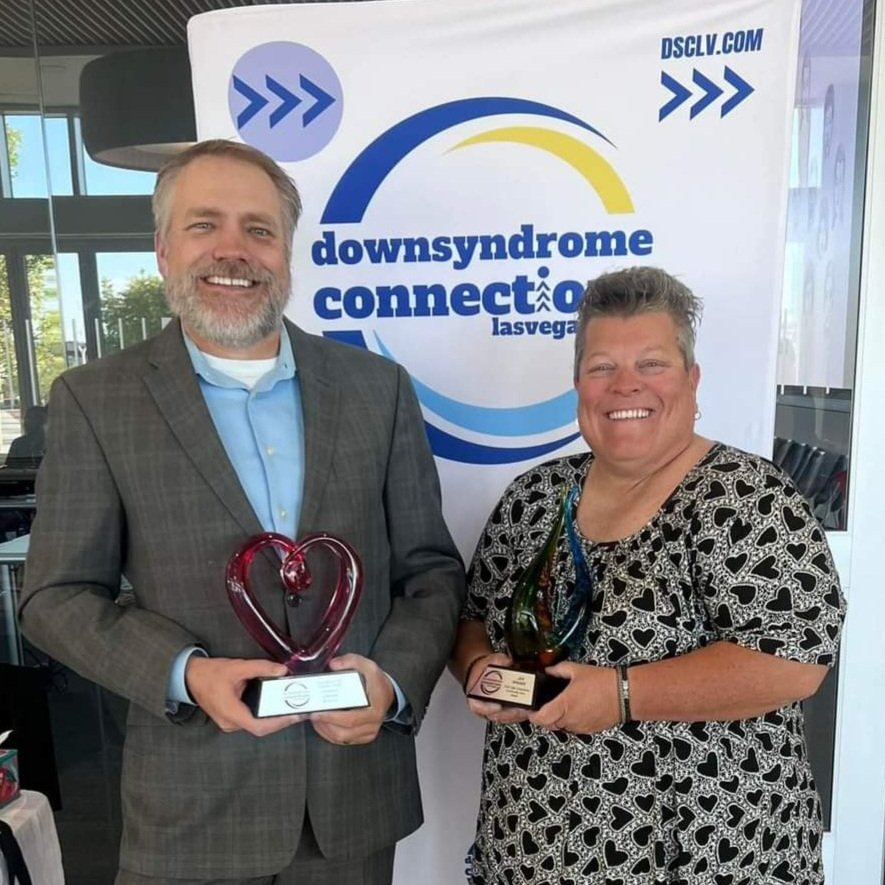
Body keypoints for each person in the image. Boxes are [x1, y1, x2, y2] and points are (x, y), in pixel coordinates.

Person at [19, 139, 466, 885]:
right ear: (163, 249)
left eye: (259, 229)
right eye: (204, 225)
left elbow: (430, 573)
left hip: (352, 802)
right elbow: (55, 597)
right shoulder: (97, 401)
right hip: (192, 814)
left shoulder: (378, 389)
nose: (233, 250)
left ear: (286, 254)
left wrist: (391, 682)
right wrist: (186, 674)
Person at [453, 266, 845, 885]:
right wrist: (481, 670)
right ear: (578, 385)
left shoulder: (749, 497)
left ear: (692, 380)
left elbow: (794, 663)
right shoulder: (533, 497)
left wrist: (622, 694)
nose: (625, 385)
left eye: (652, 364)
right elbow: (472, 618)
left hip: (708, 851)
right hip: (531, 844)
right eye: (602, 367)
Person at [4, 405, 47, 469]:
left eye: (33, 418)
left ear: (43, 422)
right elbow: (10, 469)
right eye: (26, 418)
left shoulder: (53, 444)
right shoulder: (18, 444)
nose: (26, 422)